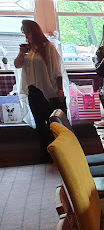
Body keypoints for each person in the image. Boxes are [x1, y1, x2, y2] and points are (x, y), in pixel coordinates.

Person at [14, 20, 67, 162]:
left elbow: (57, 71)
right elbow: (17, 65)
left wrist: (60, 89)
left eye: (28, 32)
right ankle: (44, 152)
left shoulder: (48, 47)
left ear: (34, 32)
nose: (26, 36)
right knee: (39, 123)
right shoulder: (28, 50)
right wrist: (21, 53)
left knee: (52, 124)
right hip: (33, 91)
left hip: (48, 91)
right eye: (24, 33)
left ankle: (57, 152)